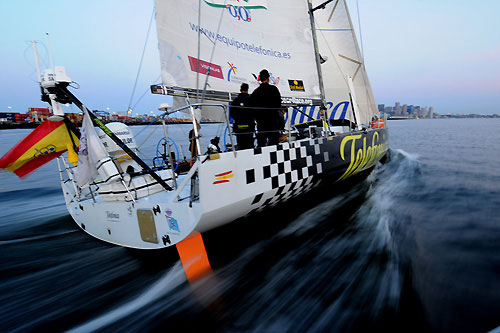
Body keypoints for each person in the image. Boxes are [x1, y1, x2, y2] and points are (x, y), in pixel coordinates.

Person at [247, 69, 282, 147]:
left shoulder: (256, 92)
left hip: (261, 122)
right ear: (268, 78)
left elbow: (251, 106)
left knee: (261, 143)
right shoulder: (274, 89)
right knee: (274, 142)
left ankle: (262, 157)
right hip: (273, 120)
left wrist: (256, 116)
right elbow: (278, 103)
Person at [230, 83, 254, 150]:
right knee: (249, 146)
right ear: (247, 90)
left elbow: (232, 114)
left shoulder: (235, 101)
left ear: (240, 90)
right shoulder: (251, 100)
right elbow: (255, 113)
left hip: (239, 127)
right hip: (249, 127)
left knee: (241, 146)